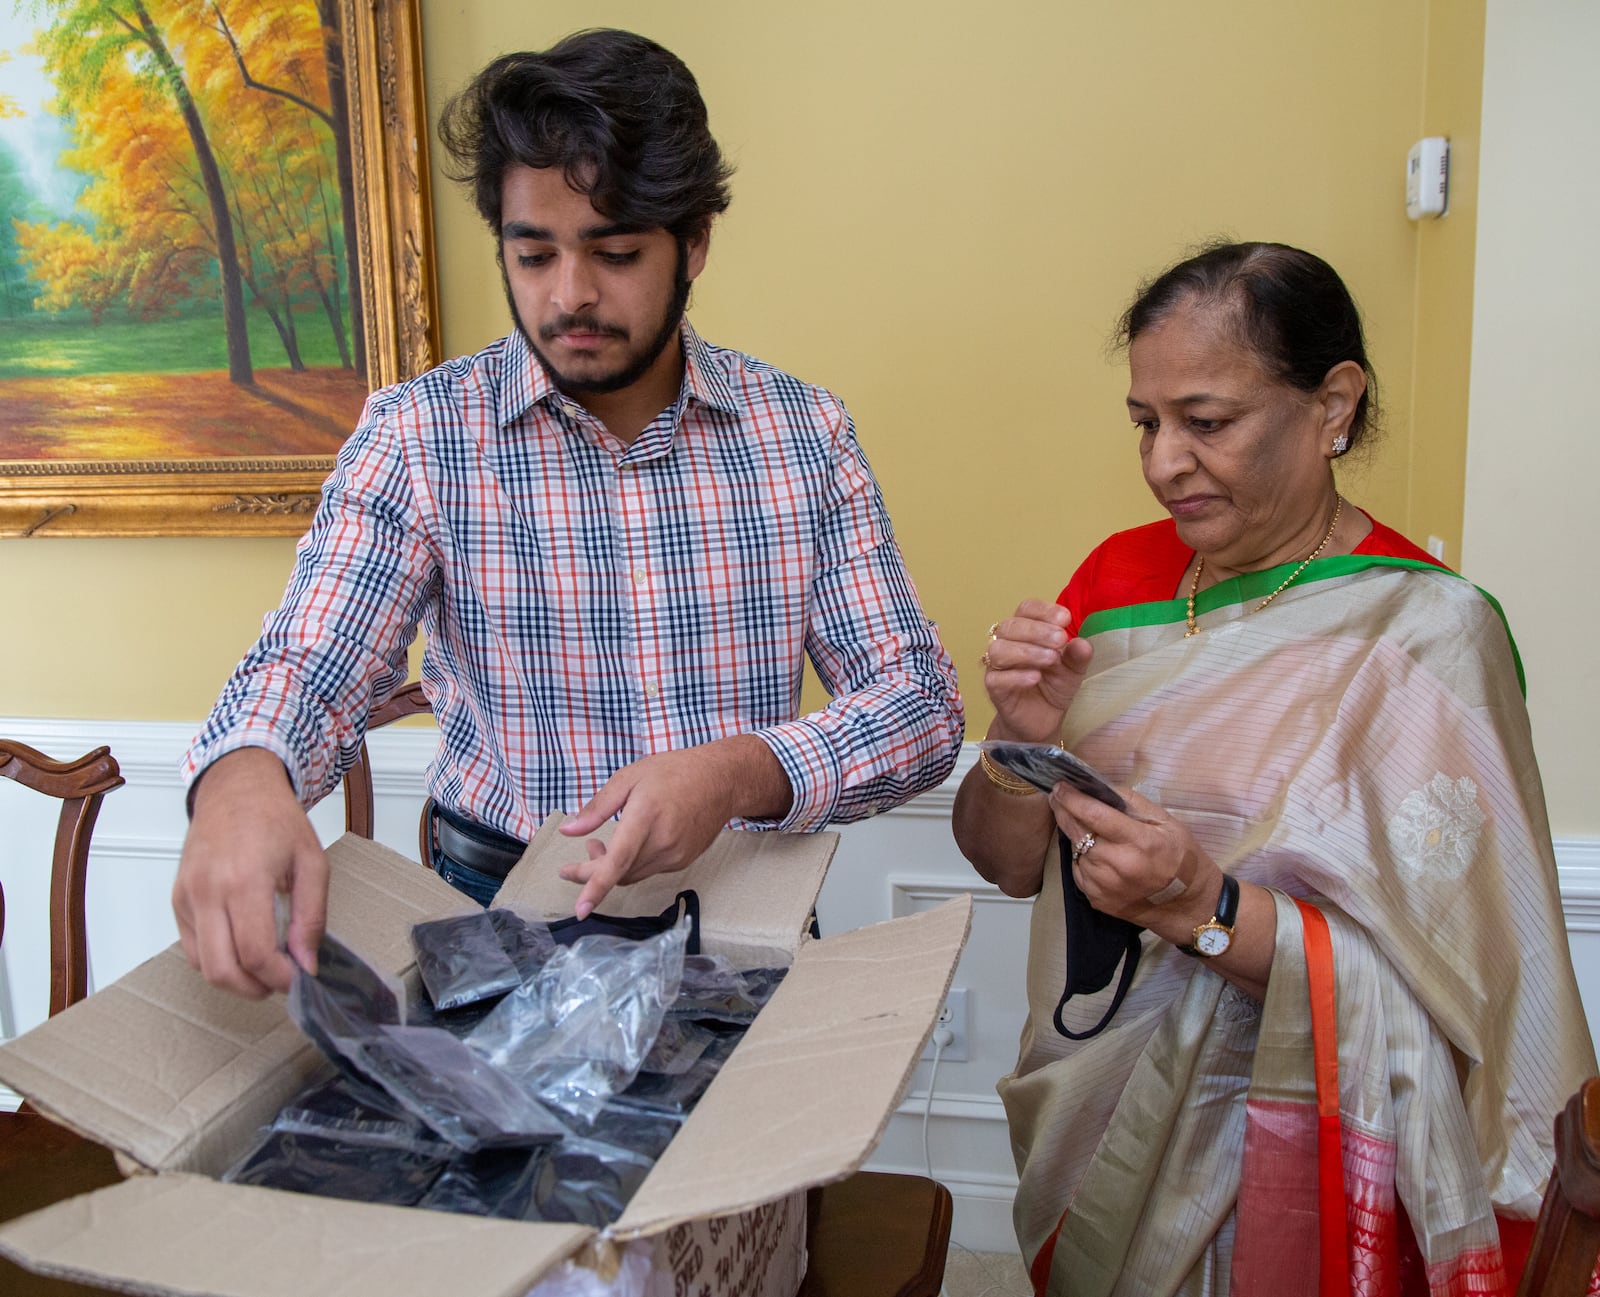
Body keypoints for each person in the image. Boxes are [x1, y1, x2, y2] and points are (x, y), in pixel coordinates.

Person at [174, 28, 963, 1000]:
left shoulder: (802, 432)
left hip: (744, 923)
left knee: (744, 1159)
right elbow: (312, 658)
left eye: (616, 251)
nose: (570, 295)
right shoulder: (421, 435)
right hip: (496, 913)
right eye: (533, 253)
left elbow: (918, 704)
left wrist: (739, 771)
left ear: (696, 242)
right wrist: (244, 777)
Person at [952, 241, 1594, 1295]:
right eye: (1145, 423)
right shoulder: (1112, 585)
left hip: (1303, 1136)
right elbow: (1004, 862)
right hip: (1103, 1105)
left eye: (1206, 421)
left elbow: (1461, 999)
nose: (1164, 462)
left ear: (1331, 404)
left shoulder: (1425, 634)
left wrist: (1199, 904)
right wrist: (1015, 742)